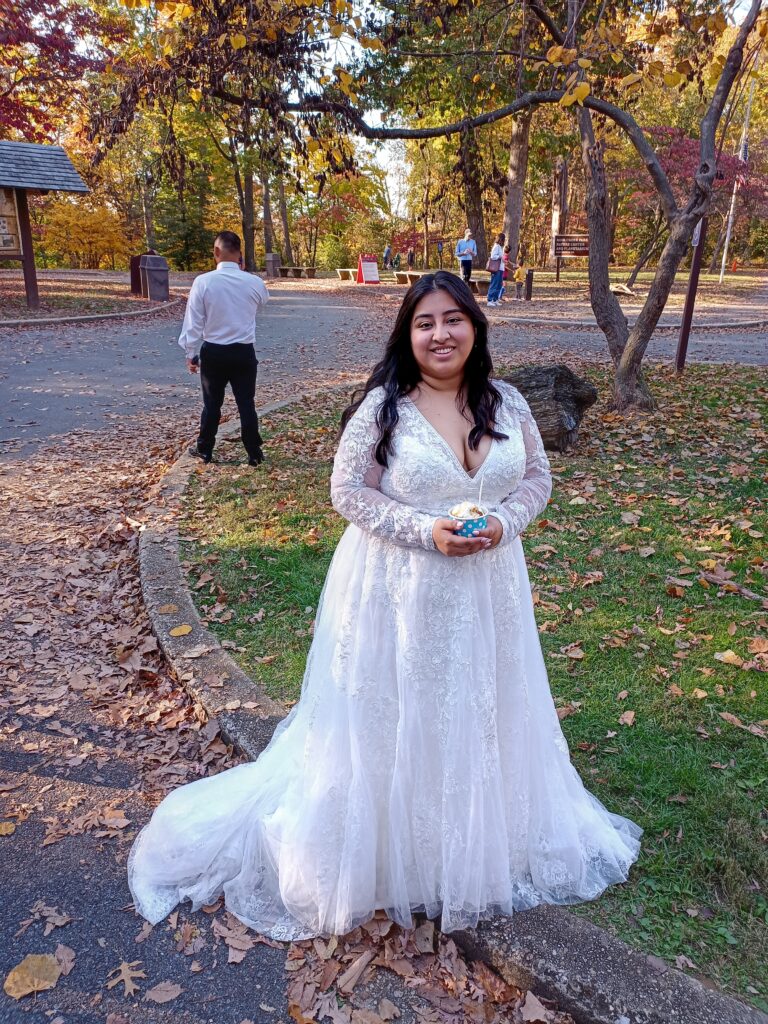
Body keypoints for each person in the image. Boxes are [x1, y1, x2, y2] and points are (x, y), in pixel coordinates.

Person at [129, 271, 641, 940]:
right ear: (408, 333)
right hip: (399, 587)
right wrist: (422, 531)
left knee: (480, 704)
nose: (440, 334)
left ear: (474, 329)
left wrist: (506, 523)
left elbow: (537, 477)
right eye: (425, 322)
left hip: (490, 587)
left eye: (453, 320)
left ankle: (470, 840)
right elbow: (348, 492)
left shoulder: (508, 403)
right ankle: (390, 848)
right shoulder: (386, 407)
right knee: (397, 708)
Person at [178, 231, 269, 466]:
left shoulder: (203, 282)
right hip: (243, 351)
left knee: (212, 404)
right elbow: (263, 301)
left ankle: (205, 449)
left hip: (214, 352)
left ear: (216, 252)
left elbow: (193, 322)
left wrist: (190, 353)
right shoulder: (254, 282)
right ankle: (254, 452)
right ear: (240, 254)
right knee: (246, 403)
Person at [486, 232, 505, 307]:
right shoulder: (496, 246)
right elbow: (493, 256)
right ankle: (490, 300)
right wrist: (500, 257)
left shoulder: (500, 247)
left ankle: (495, 299)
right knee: (494, 284)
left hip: (501, 268)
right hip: (496, 268)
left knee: (499, 285)